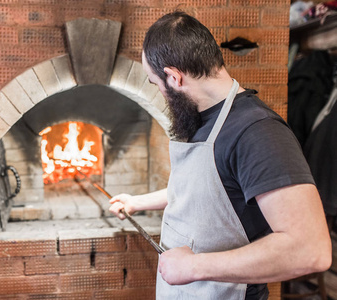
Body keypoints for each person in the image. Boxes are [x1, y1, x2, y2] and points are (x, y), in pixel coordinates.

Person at [109, 11, 332, 300]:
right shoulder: (204, 119)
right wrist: (138, 202)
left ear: (174, 77)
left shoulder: (257, 132)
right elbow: (208, 190)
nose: (161, 95)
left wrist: (194, 266)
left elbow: (309, 250)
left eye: (155, 84)